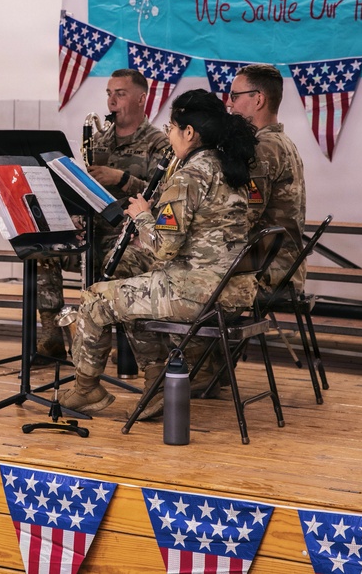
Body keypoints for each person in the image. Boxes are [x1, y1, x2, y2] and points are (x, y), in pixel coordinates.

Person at [57, 89, 259, 418]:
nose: (169, 135)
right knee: (134, 291)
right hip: (233, 289)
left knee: (96, 297)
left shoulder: (189, 175)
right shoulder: (229, 167)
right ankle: (156, 384)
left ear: (189, 133)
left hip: (198, 292)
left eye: (172, 128)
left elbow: (164, 249)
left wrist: (142, 216)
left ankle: (86, 388)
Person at [35, 69, 170, 361]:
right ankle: (51, 332)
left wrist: (122, 180)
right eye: (109, 94)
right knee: (44, 250)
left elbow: (163, 197)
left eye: (120, 94)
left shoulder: (160, 144)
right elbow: (86, 191)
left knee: (117, 264)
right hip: (94, 230)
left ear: (141, 99)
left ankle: (104, 349)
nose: (112, 101)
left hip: (130, 237)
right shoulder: (99, 142)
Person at [227, 64, 306, 291]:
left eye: (235, 95)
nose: (230, 103)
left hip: (267, 271)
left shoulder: (263, 148)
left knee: (179, 285)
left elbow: (244, 217)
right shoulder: (280, 141)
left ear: (258, 100)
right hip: (278, 264)